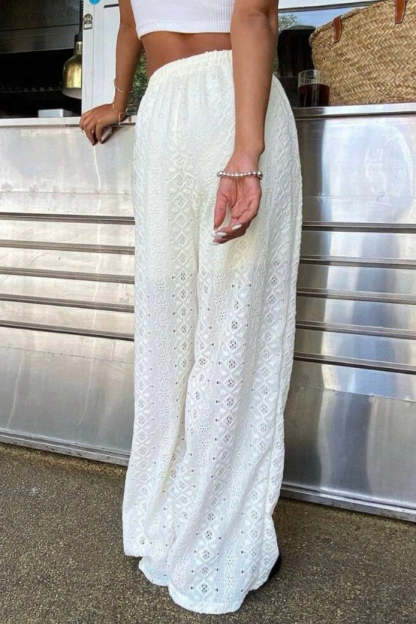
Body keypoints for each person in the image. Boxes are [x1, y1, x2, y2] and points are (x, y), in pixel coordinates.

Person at [79, 0, 302, 615]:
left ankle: (163, 520)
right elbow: (254, 16)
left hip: (167, 110)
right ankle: (212, 537)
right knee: (235, 327)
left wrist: (118, 100)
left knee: (168, 326)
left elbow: (131, 23)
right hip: (231, 105)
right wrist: (247, 152)